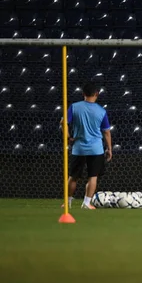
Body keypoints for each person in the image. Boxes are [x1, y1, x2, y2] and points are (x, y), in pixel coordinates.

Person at [60, 82, 112, 210]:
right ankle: (86, 203)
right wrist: (109, 148)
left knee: (73, 177)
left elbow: (63, 122)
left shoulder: (74, 107)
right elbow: (106, 132)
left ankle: (67, 203)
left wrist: (67, 137)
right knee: (92, 176)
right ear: (97, 94)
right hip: (96, 149)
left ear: (83, 94)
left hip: (79, 148)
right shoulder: (101, 111)